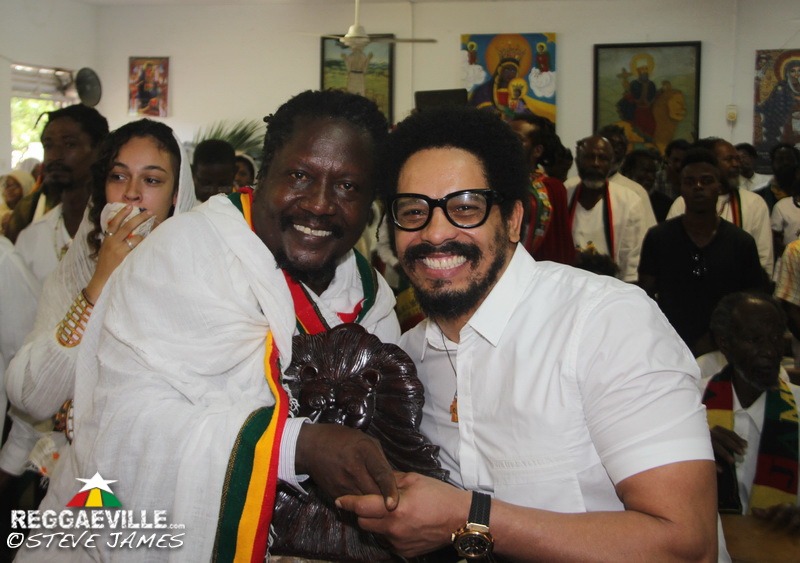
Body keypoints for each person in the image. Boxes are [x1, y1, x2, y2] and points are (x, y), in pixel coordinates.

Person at [21, 90, 400, 561]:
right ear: (262, 176)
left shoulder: (370, 296)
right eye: (300, 176)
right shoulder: (181, 255)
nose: (320, 205)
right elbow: (119, 426)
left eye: (348, 186)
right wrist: (292, 445)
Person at [338, 106, 720, 561]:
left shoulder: (606, 323)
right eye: (413, 211)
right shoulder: (409, 358)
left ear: (514, 220)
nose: (435, 233)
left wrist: (469, 517)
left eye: (464, 207)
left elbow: (685, 545)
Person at [638, 148, 769, 356]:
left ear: (719, 187)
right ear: (680, 188)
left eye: (706, 181)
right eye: (690, 182)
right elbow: (645, 297)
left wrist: (719, 338)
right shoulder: (659, 238)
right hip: (669, 345)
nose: (698, 187)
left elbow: (752, 304)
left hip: (726, 349)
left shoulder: (741, 243)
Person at [702, 292, 800, 530]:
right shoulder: (690, 404)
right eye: (754, 340)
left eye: (776, 338)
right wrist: (694, 446)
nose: (769, 350)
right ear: (724, 342)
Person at [668, 138, 774, 276]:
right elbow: (670, 251)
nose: (736, 164)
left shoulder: (754, 203)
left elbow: (764, 258)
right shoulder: (683, 202)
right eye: (729, 159)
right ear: (710, 164)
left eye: (737, 159)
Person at [5, 105, 108, 245]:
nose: (54, 156)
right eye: (48, 146)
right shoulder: (29, 215)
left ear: (99, 149)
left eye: (70, 144)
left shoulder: (118, 219)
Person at [567, 135, 646, 282]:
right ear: (577, 161)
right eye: (589, 157)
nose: (596, 164)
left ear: (611, 164)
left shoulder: (629, 201)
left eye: (602, 158)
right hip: (569, 284)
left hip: (611, 287)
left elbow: (630, 265)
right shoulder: (564, 193)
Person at [508, 113, 574, 265]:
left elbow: (560, 247)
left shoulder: (552, 188)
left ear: (537, 150)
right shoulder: (490, 180)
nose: (507, 144)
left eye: (517, 139)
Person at [620, 148, 672, 222]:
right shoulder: (614, 197)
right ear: (629, 171)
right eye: (646, 171)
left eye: (653, 172)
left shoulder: (664, 205)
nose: (651, 177)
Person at [754, 142, 799, 213]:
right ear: (772, 164)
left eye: (789, 159)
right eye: (780, 159)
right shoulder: (758, 197)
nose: (785, 163)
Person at [0, 169, 35, 236]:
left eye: (14, 185)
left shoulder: (34, 212)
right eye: (6, 185)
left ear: (26, 187)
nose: (9, 189)